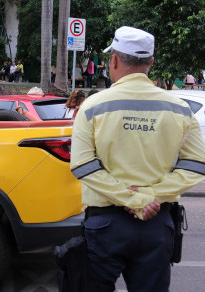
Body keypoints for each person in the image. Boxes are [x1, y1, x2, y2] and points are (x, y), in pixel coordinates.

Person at [70, 26, 205, 292]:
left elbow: (83, 166)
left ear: (115, 59)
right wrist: (150, 196)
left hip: (104, 223)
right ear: (151, 62)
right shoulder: (180, 109)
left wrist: (131, 198)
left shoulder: (92, 106)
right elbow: (196, 164)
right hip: (156, 222)